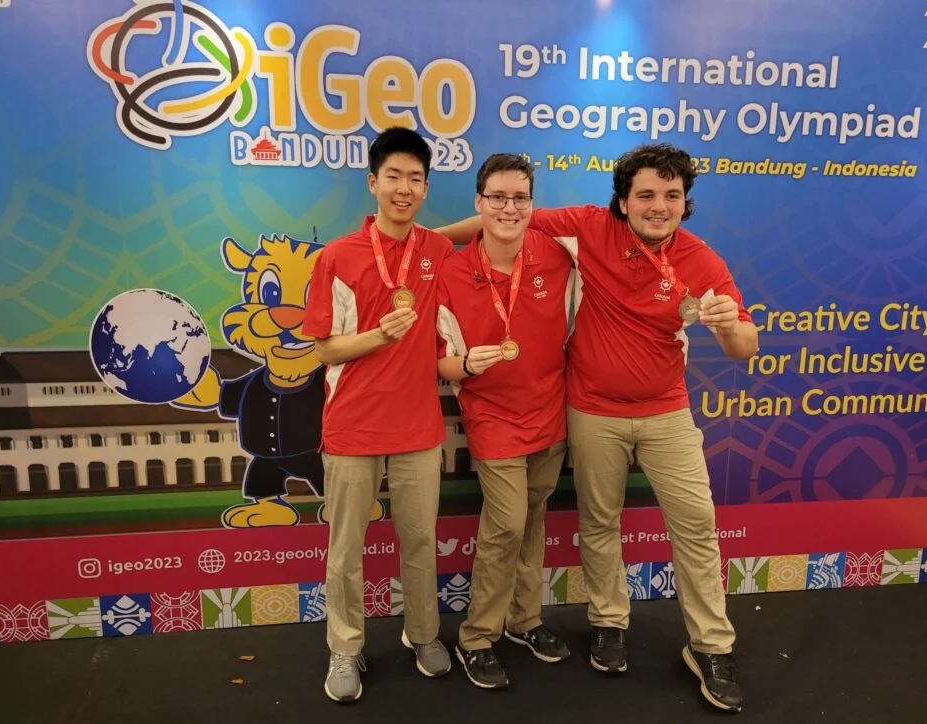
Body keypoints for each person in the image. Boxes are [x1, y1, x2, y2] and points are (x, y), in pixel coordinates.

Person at [437, 143, 757, 712]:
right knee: (597, 522)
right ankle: (607, 623)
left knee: (696, 525)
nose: (658, 206)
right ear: (623, 201)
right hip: (589, 410)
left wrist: (730, 326)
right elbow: (505, 217)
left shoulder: (702, 260)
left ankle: (711, 646)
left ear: (685, 202)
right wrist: (427, 243)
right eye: (646, 194)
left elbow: (744, 347)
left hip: (665, 410)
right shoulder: (588, 227)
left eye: (672, 196)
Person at [304, 127, 454, 703]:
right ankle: (345, 647)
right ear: (373, 182)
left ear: (425, 188)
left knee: (419, 540)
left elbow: (481, 230)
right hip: (352, 426)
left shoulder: (436, 251)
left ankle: (424, 633)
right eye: (393, 176)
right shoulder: (337, 256)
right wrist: (377, 337)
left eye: (415, 179)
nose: (404, 188)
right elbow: (324, 349)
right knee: (346, 549)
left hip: (418, 427)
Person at [435, 154, 574, 689]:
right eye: (497, 197)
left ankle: (525, 619)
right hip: (492, 414)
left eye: (519, 198)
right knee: (507, 524)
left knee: (533, 518)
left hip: (550, 409)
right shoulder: (451, 272)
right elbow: (440, 362)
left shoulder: (557, 253)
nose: (508, 208)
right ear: (479, 202)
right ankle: (476, 636)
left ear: (532, 204)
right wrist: (468, 364)